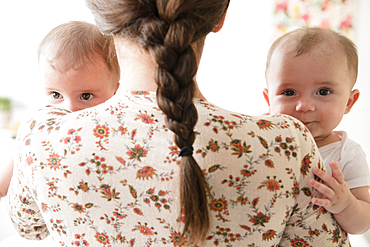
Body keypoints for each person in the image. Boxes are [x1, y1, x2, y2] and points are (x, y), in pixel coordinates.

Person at [7, 1, 349, 246]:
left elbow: (29, 228)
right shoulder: (286, 143)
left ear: (101, 14)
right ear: (219, 15)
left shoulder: (42, 140)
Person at [263, 27, 370, 235]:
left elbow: (364, 223)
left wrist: (345, 204)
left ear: (349, 102)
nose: (304, 105)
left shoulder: (345, 153)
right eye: (289, 92)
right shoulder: (262, 137)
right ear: (269, 100)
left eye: (323, 92)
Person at [0, 21, 120, 200]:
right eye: (56, 95)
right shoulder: (41, 127)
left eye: (85, 96)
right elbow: (17, 160)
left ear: (115, 92)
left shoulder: (116, 126)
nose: (69, 108)